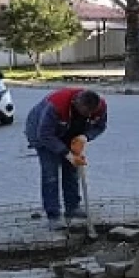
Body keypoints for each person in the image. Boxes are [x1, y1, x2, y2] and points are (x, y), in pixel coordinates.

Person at [24, 88, 108, 228]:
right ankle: (53, 215)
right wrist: (66, 154)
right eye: (85, 113)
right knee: (50, 174)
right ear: (76, 103)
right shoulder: (57, 105)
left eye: (90, 114)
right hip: (42, 132)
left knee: (72, 170)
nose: (88, 116)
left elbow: (100, 126)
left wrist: (85, 137)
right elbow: (44, 134)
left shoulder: (99, 107)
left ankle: (72, 207)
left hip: (69, 133)